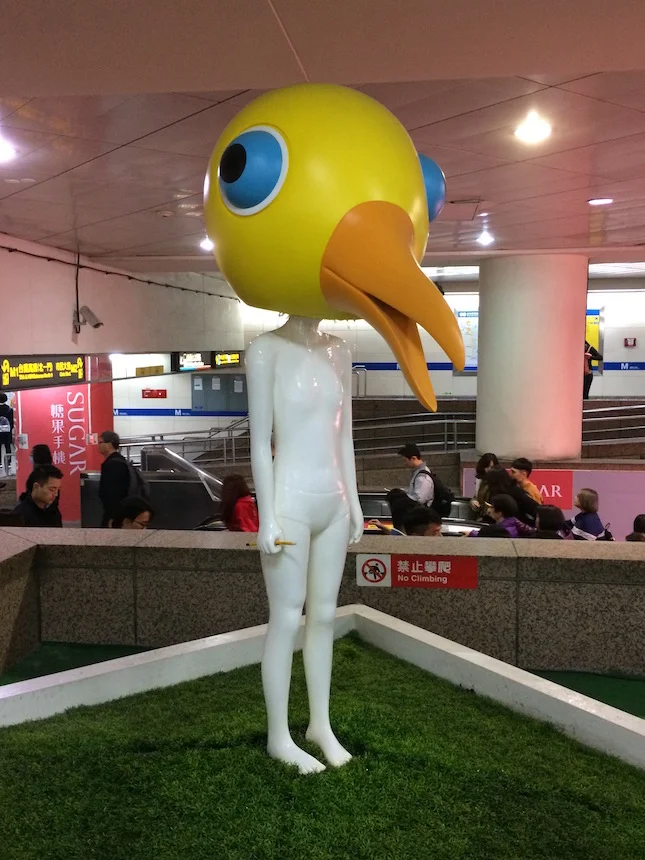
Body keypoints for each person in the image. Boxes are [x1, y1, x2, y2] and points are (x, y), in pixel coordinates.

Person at [98, 430, 130, 528]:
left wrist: (112, 517)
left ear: (109, 444)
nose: (98, 446)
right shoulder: (119, 460)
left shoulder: (113, 464)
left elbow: (114, 493)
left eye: (100, 442)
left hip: (114, 515)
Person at [398, 443, 434, 507]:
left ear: (413, 458)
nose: (404, 463)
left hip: (420, 513)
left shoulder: (423, 476)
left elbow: (419, 500)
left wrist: (403, 499)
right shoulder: (418, 472)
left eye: (405, 460)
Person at [0, 392, 14, 474]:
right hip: (7, 431)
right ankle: (8, 463)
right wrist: (9, 428)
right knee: (7, 446)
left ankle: (0, 464)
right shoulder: (10, 410)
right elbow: (12, 422)